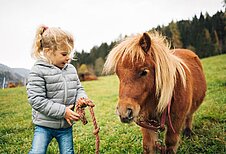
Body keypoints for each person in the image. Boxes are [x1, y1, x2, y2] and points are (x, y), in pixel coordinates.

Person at [26, 25, 90, 154]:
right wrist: (63, 112)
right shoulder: (38, 70)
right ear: (49, 51)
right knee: (37, 151)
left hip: (66, 126)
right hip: (44, 125)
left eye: (70, 54)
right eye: (64, 54)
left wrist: (81, 99)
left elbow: (78, 88)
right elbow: (36, 99)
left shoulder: (70, 69)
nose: (68, 58)